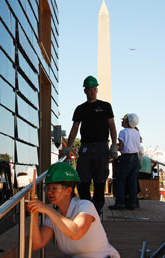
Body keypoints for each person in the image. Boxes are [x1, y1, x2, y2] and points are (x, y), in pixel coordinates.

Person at [28, 162, 120, 258]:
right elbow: (37, 245)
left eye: (54, 188)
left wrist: (47, 209)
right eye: (47, 188)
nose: (49, 192)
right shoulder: (53, 217)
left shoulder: (85, 206)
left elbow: (76, 233)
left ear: (68, 191)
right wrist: (34, 214)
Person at [63, 75, 117, 214]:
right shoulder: (80, 109)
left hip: (101, 147)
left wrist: (114, 145)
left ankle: (97, 208)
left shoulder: (105, 106)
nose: (92, 92)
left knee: (100, 179)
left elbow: (112, 126)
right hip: (86, 148)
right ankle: (87, 207)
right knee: (82, 179)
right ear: (85, 91)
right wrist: (68, 147)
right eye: (89, 89)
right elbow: (74, 128)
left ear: (97, 90)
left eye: (94, 89)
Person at [109, 113, 141, 210]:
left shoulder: (123, 132)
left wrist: (114, 147)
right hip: (135, 158)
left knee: (120, 181)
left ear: (128, 122)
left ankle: (120, 203)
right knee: (133, 182)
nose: (122, 121)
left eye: (124, 119)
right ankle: (132, 203)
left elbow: (122, 147)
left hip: (126, 158)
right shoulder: (136, 132)